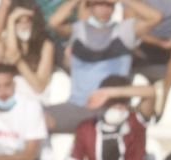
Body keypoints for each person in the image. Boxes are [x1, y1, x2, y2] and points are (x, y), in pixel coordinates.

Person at [45, 0, 161, 131]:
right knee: (35, 119)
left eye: (108, 4)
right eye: (99, 4)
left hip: (112, 108)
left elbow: (155, 17)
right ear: (90, 6)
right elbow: (53, 22)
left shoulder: (124, 30)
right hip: (78, 106)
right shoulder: (77, 30)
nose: (104, 8)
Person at [0, 2, 56, 97]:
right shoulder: (4, 44)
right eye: (18, 22)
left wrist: (19, 62)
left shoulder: (46, 45)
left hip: (35, 100)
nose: (23, 26)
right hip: (9, 100)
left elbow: (39, 86)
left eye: (27, 21)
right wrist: (11, 19)